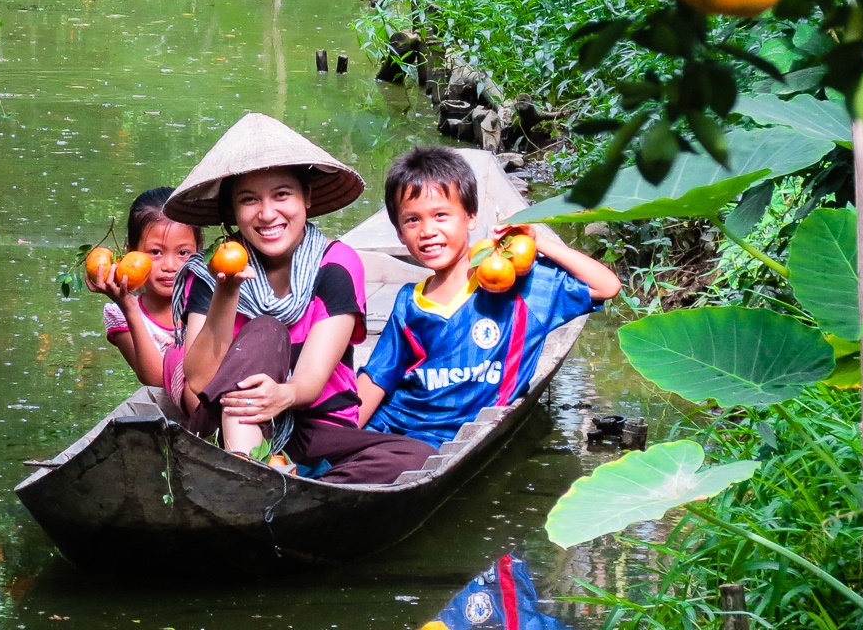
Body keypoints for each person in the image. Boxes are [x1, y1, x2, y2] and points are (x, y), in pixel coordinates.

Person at [162, 112, 433, 484]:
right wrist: (227, 291)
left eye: (282, 194)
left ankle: (310, 491)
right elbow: (198, 379)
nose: (267, 213)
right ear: (232, 212)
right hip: (228, 432)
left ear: (306, 197)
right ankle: (248, 472)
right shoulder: (214, 271)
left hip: (311, 428)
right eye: (249, 200)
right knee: (266, 330)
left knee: (417, 456)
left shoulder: (335, 264)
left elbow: (311, 380)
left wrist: (283, 395)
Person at [357, 146, 621, 448]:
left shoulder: (520, 289)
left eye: (441, 215)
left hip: (442, 444)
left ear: (471, 217)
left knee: (386, 465)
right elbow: (377, 379)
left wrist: (538, 241)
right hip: (391, 427)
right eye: (412, 220)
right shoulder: (408, 303)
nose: (427, 230)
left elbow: (606, 286)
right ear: (400, 234)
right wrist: (342, 437)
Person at [85, 186, 200, 388]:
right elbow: (156, 380)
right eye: (156, 252)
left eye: (183, 253)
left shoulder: (209, 297)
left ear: (199, 252)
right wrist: (128, 306)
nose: (170, 267)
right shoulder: (119, 314)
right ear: (130, 253)